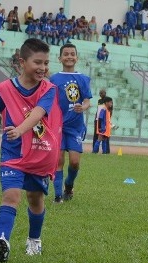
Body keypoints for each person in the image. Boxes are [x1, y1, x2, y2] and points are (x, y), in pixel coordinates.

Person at [0, 38, 62, 263]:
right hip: (12, 153)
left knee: (35, 198)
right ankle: (2, 241)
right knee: (10, 195)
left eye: (46, 63)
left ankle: (34, 240)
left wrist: (21, 130)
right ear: (22, 62)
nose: (43, 68)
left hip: (40, 153)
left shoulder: (49, 89)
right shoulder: (5, 89)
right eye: (37, 62)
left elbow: (38, 113)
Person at [49, 43, 92, 203]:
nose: (69, 56)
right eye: (66, 54)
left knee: (74, 162)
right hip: (58, 126)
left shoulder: (83, 78)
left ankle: (69, 185)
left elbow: (87, 100)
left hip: (75, 127)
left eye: (72, 54)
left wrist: (84, 106)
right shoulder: (53, 79)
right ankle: (58, 196)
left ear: (77, 57)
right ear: (60, 58)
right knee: (58, 160)